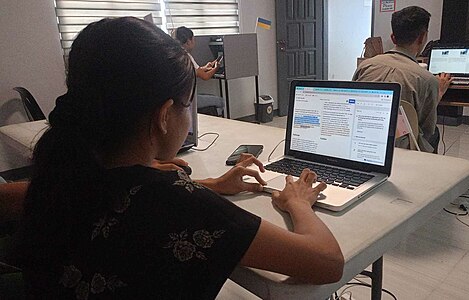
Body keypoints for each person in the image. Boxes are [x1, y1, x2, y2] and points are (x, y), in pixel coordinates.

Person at [14, 17, 343, 299]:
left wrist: (210, 184)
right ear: (164, 115)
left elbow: (132, 200)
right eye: (188, 104)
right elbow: (328, 262)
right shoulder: (179, 203)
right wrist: (298, 201)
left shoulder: (66, 169)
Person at [353, 6, 452, 153]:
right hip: (400, 148)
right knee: (434, 133)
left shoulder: (365, 66)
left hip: (361, 138)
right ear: (422, 37)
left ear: (393, 38)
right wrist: (439, 92)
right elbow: (426, 128)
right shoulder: (426, 79)